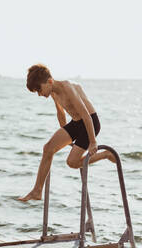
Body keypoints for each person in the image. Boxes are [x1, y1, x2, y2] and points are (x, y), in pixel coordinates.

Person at [18, 64, 115, 202]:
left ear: (50, 81)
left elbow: (86, 115)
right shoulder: (53, 92)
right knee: (48, 148)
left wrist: (93, 142)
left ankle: (105, 154)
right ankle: (37, 191)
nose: (39, 94)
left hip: (90, 123)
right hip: (76, 123)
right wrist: (65, 136)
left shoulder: (67, 88)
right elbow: (61, 113)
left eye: (39, 89)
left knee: (72, 162)